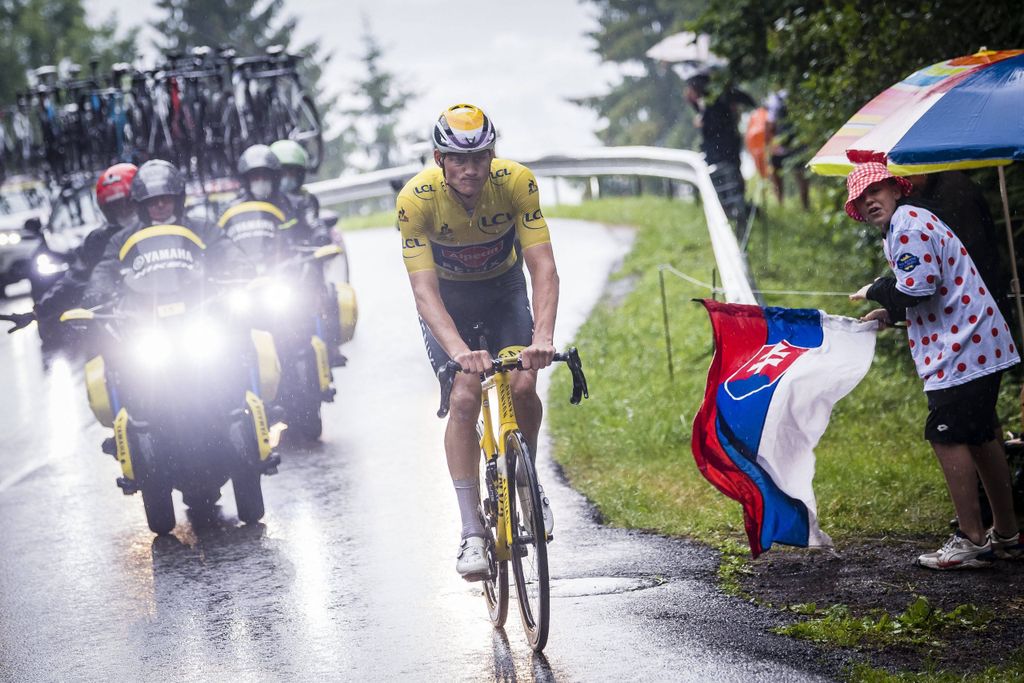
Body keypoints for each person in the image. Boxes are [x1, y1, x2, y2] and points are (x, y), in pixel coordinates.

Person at [396, 103, 559, 580]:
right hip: (448, 301)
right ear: (438, 159)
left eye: (480, 158)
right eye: (458, 159)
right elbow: (424, 291)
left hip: (503, 290)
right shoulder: (416, 200)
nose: (470, 169)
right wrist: (457, 352)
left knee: (524, 385)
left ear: (493, 156)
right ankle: (471, 530)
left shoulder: (516, 183)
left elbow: (542, 267)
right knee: (466, 395)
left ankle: (528, 486)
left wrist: (543, 338)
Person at [846, 161, 1023, 569]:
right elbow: (932, 288)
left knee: (945, 434)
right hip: (977, 343)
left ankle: (971, 538)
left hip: (961, 349)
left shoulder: (907, 224)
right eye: (860, 198)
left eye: (875, 190)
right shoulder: (909, 222)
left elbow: (918, 286)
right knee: (980, 435)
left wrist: (877, 290)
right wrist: (888, 313)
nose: (869, 201)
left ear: (895, 188)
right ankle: (1008, 534)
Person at [82, 159, 240, 309]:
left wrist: (239, 267)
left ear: (178, 199)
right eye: (152, 200)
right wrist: (98, 290)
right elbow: (107, 267)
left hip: (199, 307)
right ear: (141, 204)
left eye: (166, 198)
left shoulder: (203, 228)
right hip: (145, 316)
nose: (160, 205)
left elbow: (226, 248)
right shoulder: (122, 239)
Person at [2, 164, 140, 335]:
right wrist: (37, 313)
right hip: (124, 326)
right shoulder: (98, 241)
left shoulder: (167, 227)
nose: (123, 211)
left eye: (127, 204)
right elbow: (74, 281)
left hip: (170, 316)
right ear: (106, 209)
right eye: (115, 206)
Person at [684, 72, 755, 222]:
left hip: (722, 147)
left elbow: (714, 123)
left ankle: (736, 208)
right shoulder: (712, 99)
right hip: (723, 146)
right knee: (729, 177)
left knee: (727, 178)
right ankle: (734, 209)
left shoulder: (716, 99)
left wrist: (702, 121)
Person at [764, 90, 809, 210]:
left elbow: (770, 125)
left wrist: (769, 145)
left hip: (779, 146)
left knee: (777, 178)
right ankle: (806, 206)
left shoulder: (773, 99)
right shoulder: (795, 95)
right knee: (801, 177)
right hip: (797, 144)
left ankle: (780, 204)